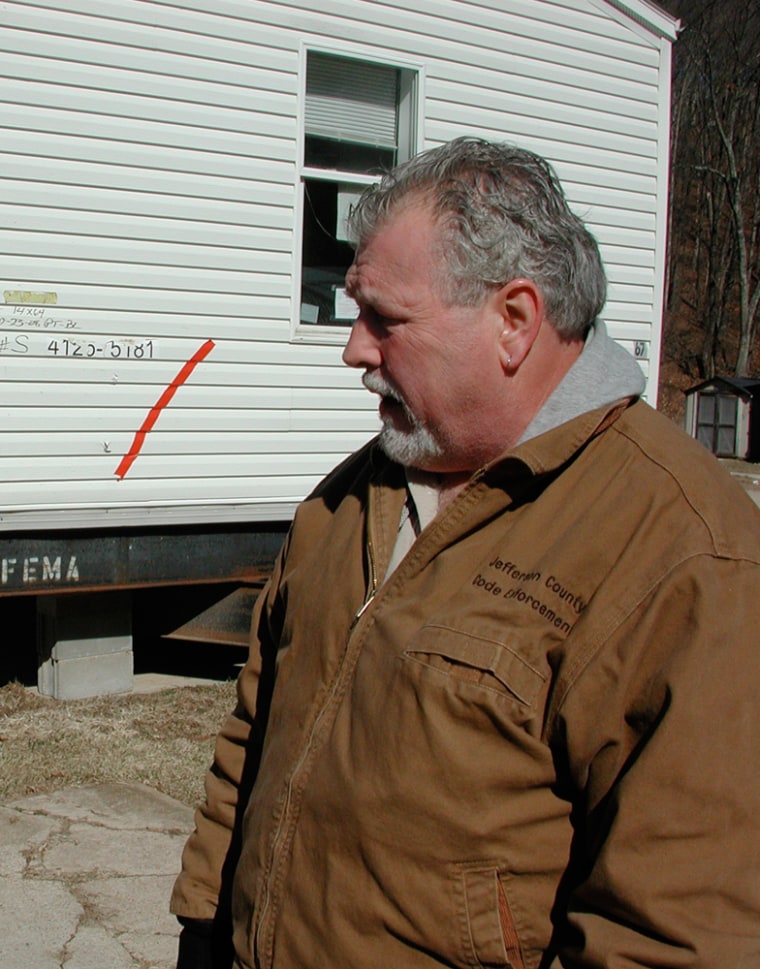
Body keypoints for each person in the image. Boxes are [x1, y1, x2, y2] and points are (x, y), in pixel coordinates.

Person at [171, 137, 760, 969]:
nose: (355, 349)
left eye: (386, 318)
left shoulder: (688, 553)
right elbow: (253, 738)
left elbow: (681, 932)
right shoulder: (349, 498)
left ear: (513, 322)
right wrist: (204, 928)